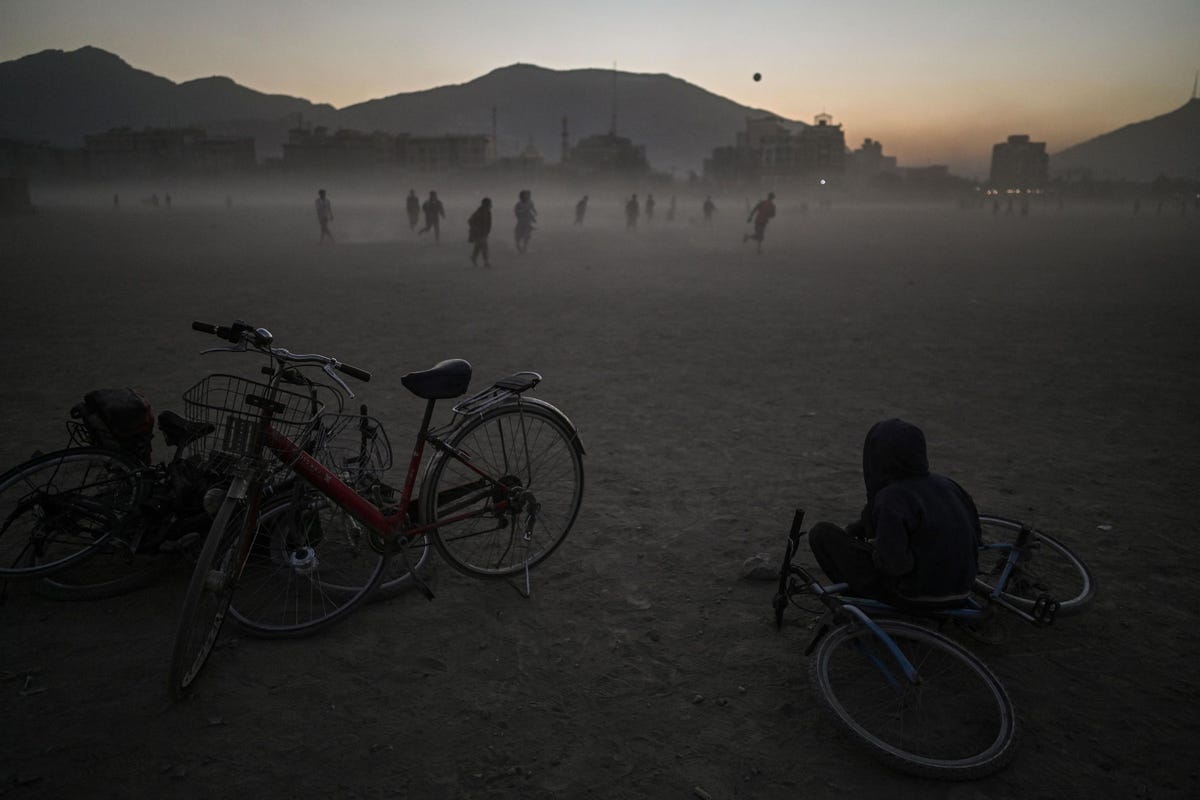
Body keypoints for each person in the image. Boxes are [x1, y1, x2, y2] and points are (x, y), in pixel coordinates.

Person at [808, 419, 982, 609]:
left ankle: (862, 604)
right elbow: (976, 537)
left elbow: (896, 566)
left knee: (821, 534)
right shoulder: (949, 485)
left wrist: (876, 552)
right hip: (963, 590)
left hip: (918, 596)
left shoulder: (892, 497)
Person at [468, 197, 492, 267]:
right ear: (485, 204)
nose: (491, 205)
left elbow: (489, 223)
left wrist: (487, 232)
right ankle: (486, 262)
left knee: (478, 247)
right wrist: (476, 229)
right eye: (489, 204)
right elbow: (470, 221)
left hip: (483, 233)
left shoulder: (488, 212)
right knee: (484, 247)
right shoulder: (479, 212)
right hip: (477, 233)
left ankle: (473, 257)